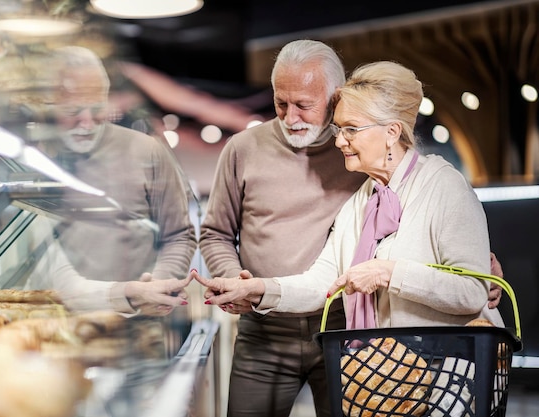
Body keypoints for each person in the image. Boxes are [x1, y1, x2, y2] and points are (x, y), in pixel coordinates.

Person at [197, 41, 504, 417]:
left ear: (392, 132)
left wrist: (390, 273)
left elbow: (470, 289)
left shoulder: (443, 185)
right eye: (339, 129)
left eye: (350, 129)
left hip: (444, 384)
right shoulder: (362, 199)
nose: (339, 140)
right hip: (385, 375)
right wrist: (258, 288)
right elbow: (324, 279)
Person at [24, 46, 196, 316]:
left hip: (138, 323)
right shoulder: (30, 156)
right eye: (73, 110)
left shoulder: (147, 151)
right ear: (47, 105)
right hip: (54, 321)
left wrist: (159, 285)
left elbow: (179, 234)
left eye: (97, 108)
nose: (87, 121)